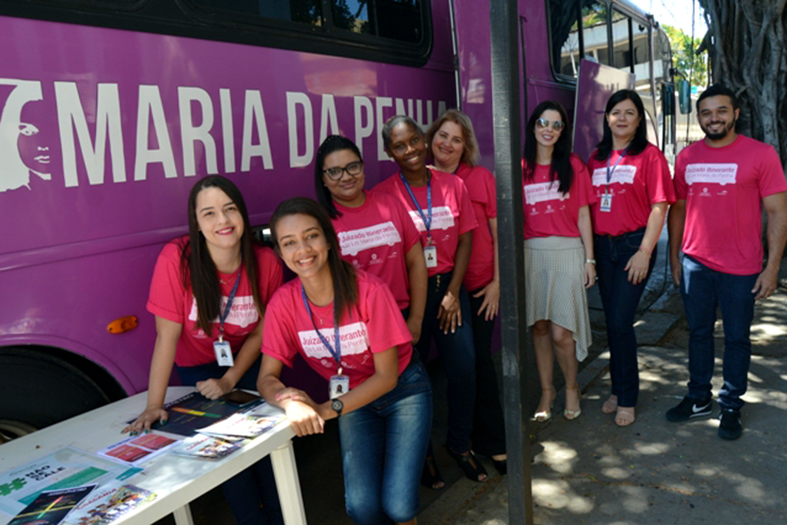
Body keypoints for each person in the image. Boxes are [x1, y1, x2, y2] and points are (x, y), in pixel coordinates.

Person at [257, 197, 432, 525]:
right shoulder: (284, 303)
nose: (303, 249)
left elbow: (387, 377)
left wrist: (325, 410)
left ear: (328, 239)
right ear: (280, 253)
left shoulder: (368, 290)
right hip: (354, 399)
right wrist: (289, 401)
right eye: (289, 243)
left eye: (311, 236)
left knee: (399, 506)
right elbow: (266, 376)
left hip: (403, 391)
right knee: (362, 509)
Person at [124, 175, 284, 525]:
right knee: (228, 457)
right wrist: (154, 405)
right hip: (197, 368)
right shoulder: (177, 259)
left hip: (248, 363)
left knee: (269, 452)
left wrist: (230, 379)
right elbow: (166, 337)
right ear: (196, 223)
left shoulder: (266, 263)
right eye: (209, 213)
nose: (222, 221)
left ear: (242, 214)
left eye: (229, 210)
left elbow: (261, 333)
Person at [666, 84, 787, 440]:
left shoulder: (761, 155)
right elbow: (679, 209)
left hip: (742, 267)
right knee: (699, 334)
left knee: (737, 338)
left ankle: (731, 405)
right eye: (706, 112)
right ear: (699, 117)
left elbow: (778, 213)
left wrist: (772, 267)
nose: (713, 118)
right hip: (696, 264)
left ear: (735, 114)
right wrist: (675, 255)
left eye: (721, 111)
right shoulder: (687, 157)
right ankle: (699, 397)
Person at [373, 115, 485, 486]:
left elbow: (467, 239)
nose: (411, 151)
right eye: (400, 146)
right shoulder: (383, 195)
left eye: (415, 141)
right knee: (410, 380)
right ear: (390, 152)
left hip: (449, 292)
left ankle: (459, 444)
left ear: (424, 140)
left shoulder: (452, 184)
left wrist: (454, 292)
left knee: (464, 370)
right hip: (406, 300)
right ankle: (421, 456)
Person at [587, 89, 675, 427]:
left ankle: (627, 396)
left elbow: (660, 207)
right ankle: (617, 387)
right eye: (615, 112)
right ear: (606, 118)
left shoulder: (649, 157)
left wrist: (644, 251)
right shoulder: (596, 158)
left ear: (639, 120)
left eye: (629, 113)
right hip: (603, 247)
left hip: (632, 247)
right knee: (611, 321)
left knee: (622, 321)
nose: (621, 118)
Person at [425, 109, 507, 474]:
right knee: (459, 367)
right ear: (431, 138)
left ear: (466, 146)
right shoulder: (420, 181)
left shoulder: (480, 178)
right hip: (441, 290)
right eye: (443, 135)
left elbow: (499, 230)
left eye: (457, 139)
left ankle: (490, 441)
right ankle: (459, 443)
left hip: (481, 287)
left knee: (479, 365)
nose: (448, 144)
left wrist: (498, 283)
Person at [521, 101, 596, 423]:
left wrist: (590, 259)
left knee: (561, 333)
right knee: (538, 326)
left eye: (556, 124)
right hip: (532, 253)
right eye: (543, 123)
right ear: (533, 127)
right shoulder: (520, 167)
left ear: (563, 131)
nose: (548, 130)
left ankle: (571, 386)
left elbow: (583, 214)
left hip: (568, 253)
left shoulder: (574, 166)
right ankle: (547, 390)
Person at [314, 134, 428, 344]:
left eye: (352, 167)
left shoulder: (390, 204)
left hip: (399, 314)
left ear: (363, 167)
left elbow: (416, 262)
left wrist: (416, 319)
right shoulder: (318, 221)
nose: (346, 177)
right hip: (352, 325)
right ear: (323, 178)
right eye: (334, 172)